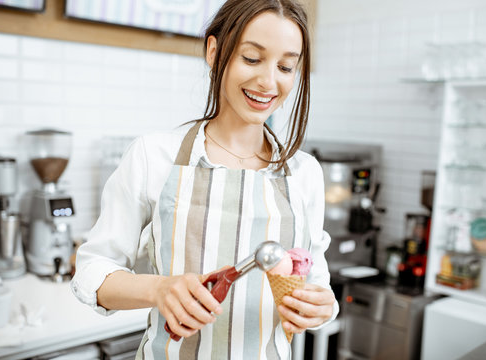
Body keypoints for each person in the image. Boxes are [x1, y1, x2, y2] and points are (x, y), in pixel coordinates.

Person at [71, 0, 339, 358]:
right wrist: (160, 289)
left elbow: (317, 281)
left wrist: (323, 307)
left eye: (286, 66)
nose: (268, 81)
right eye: (252, 58)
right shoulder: (154, 156)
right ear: (214, 51)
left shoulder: (304, 173)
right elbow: (92, 271)